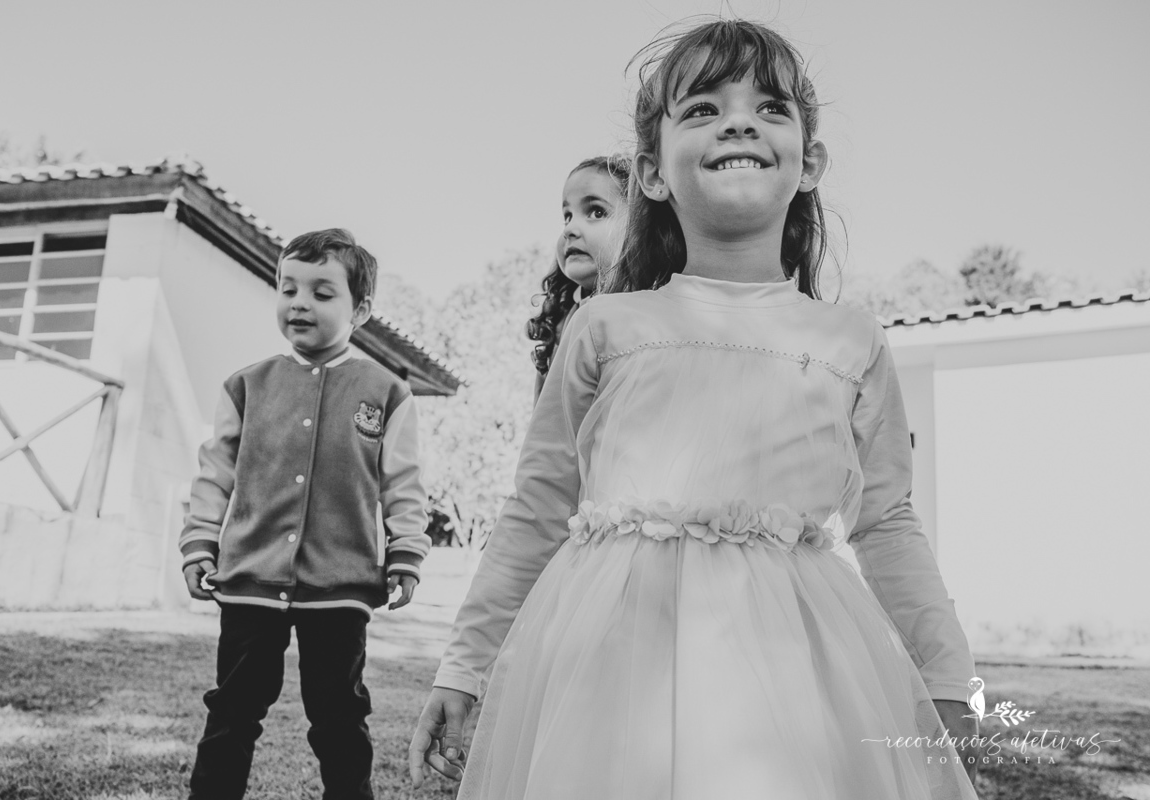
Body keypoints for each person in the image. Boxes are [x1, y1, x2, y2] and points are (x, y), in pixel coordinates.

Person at [409, 18, 982, 800]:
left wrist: (946, 668)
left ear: (809, 161)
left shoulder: (850, 341)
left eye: (770, 106)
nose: (739, 120)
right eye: (704, 108)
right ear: (651, 170)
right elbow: (537, 507)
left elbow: (886, 521)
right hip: (611, 668)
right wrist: (465, 665)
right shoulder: (604, 327)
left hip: (795, 676)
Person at [180, 228, 431, 800]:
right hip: (249, 581)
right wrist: (199, 542)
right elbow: (214, 473)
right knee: (232, 714)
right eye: (287, 287)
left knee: (339, 719)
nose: (299, 302)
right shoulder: (246, 385)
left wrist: (406, 553)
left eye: (322, 292)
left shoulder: (387, 393)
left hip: (339, 588)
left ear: (360, 308)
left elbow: (403, 483)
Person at [527, 155, 630, 402]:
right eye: (567, 215)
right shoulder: (559, 325)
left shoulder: (649, 317)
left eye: (596, 211)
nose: (569, 229)